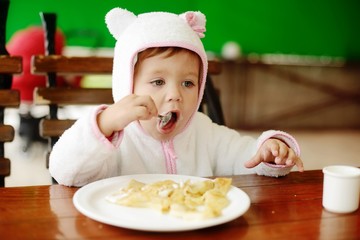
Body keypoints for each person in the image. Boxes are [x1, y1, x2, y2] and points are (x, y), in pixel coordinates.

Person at [49, 8, 304, 187]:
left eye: (188, 83)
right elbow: (65, 171)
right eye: (158, 82)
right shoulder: (115, 140)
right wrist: (104, 123)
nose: (175, 95)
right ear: (127, 86)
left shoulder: (204, 132)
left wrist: (267, 151)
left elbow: (244, 157)